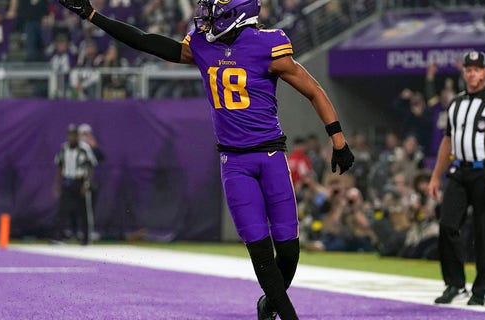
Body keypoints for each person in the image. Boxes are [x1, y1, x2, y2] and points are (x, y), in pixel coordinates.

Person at [57, 0, 355, 318]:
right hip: (234, 163)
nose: (206, 17)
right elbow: (145, 41)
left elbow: (314, 90)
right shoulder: (201, 44)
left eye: (214, 10)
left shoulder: (268, 45)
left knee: (288, 252)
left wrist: (339, 141)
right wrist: (92, 16)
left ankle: (269, 303)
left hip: (270, 155)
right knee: (260, 251)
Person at [428, 51, 485, 307]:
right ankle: (455, 284)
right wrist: (435, 176)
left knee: (483, 232)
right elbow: (447, 141)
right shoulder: (456, 103)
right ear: (464, 72)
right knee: (447, 225)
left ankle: (479, 291)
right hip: (459, 170)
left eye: (477, 69)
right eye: (468, 69)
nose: (472, 73)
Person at [53, 124, 98, 245]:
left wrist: (86, 183)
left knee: (84, 211)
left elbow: (90, 166)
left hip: (80, 181)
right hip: (68, 181)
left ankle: (86, 238)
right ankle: (59, 237)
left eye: (74, 135)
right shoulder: (64, 148)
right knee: (62, 210)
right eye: (70, 134)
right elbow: (60, 166)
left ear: (77, 136)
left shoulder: (84, 148)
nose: (72, 137)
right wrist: (57, 185)